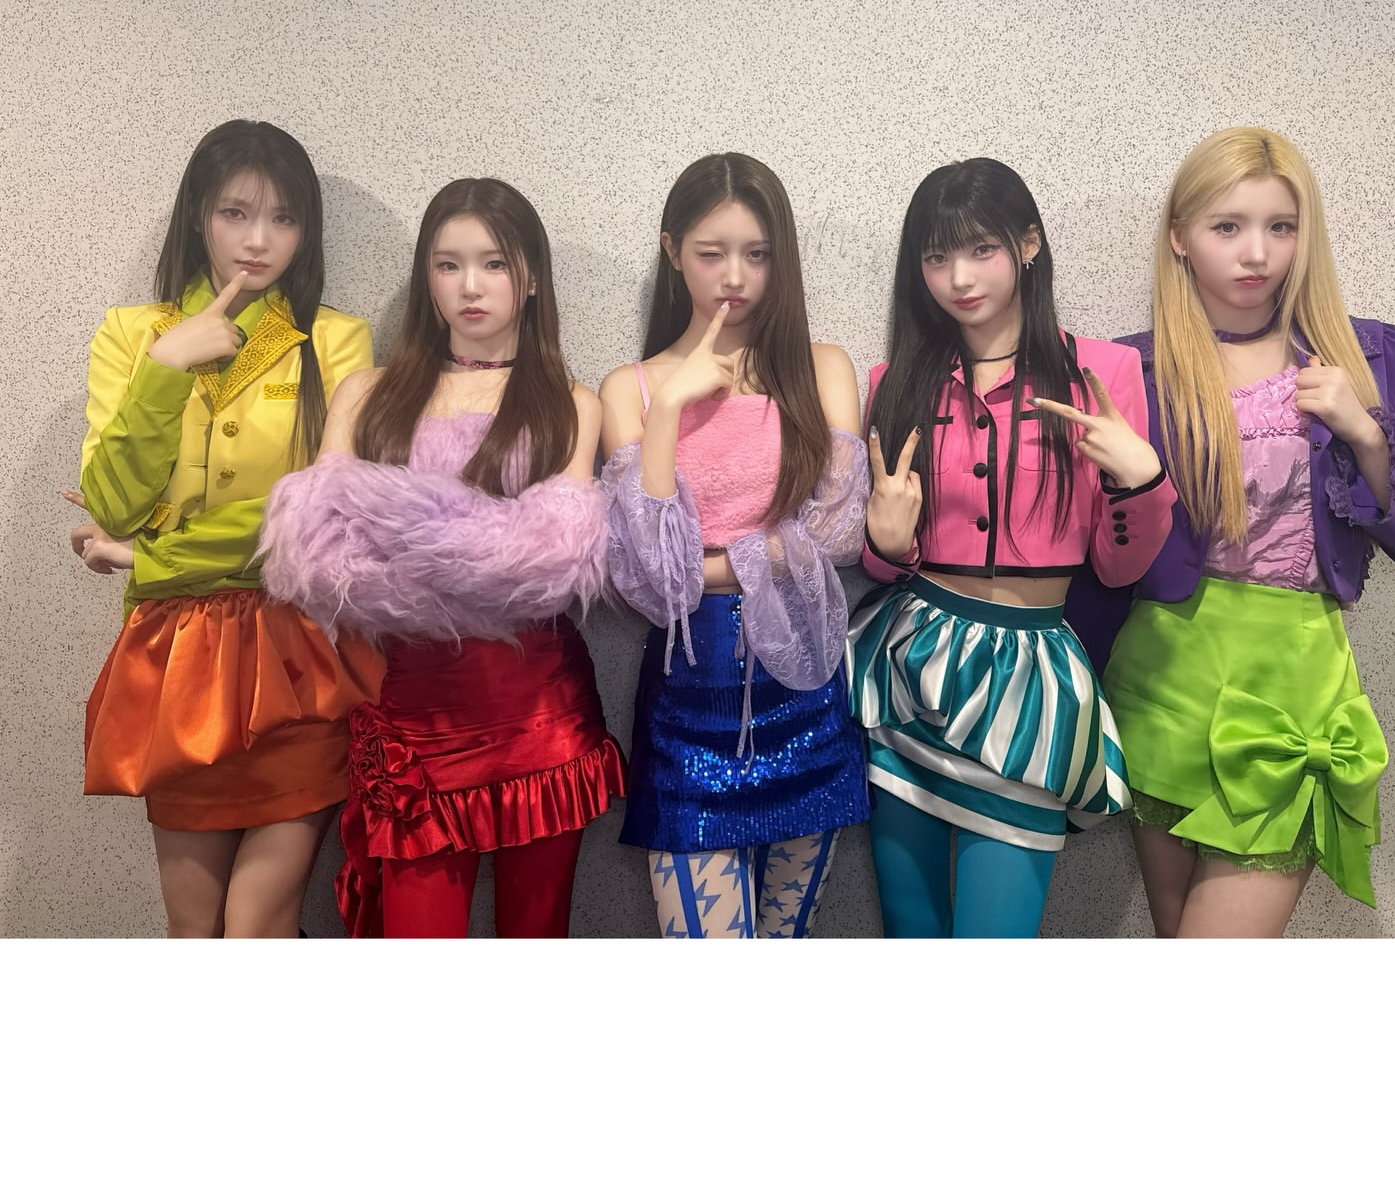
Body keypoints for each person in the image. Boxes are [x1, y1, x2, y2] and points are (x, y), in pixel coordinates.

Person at [1067, 127, 1395, 936]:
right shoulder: (1132, 370)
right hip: (1163, 675)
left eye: (1281, 226)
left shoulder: (1365, 354)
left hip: (1293, 684)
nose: (1258, 253)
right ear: (1180, 236)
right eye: (1228, 226)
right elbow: (1101, 553)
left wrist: (1365, 433)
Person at [261, 177, 625, 939]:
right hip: (413, 724)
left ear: (531, 279)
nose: (470, 286)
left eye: (494, 264)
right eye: (448, 264)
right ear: (426, 277)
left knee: (536, 943)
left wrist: (395, 525)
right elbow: (316, 554)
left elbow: (552, 563)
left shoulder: (571, 401)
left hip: (539, 718)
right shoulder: (367, 394)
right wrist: (485, 548)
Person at [848, 158, 1176, 938]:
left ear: (1028, 243)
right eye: (936, 257)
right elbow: (887, 555)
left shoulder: (1102, 371)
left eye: (981, 249)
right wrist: (885, 546)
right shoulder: (896, 380)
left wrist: (1140, 480)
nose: (959, 278)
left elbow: (1119, 567)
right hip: (909, 664)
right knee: (911, 932)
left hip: (1031, 676)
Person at [71, 119, 382, 937]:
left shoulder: (336, 341)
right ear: (197, 215)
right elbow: (112, 502)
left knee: (254, 926)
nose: (257, 240)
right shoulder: (134, 336)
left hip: (298, 656)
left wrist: (149, 557)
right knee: (194, 929)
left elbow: (319, 515)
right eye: (235, 213)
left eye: (283, 218)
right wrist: (167, 366)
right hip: (171, 666)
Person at [599, 152, 870, 938]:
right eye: (711, 253)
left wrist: (710, 567)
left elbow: (837, 533)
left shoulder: (822, 368)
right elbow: (652, 581)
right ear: (671, 251)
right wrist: (668, 410)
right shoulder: (631, 388)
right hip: (687, 694)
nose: (735, 277)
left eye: (757, 254)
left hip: (807, 689)